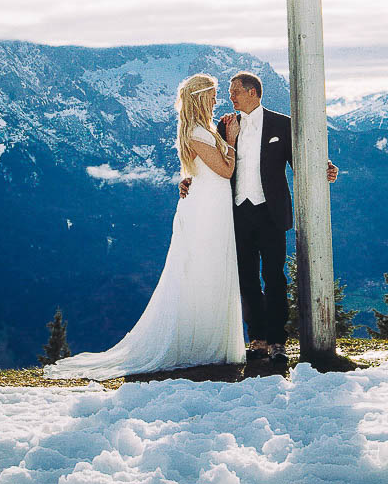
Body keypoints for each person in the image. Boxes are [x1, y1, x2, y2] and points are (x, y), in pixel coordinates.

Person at [44, 73, 244, 380]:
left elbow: (199, 169)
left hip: (209, 206)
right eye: (214, 94)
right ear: (201, 97)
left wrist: (191, 175)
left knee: (205, 269)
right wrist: (230, 139)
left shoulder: (198, 130)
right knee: (202, 269)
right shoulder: (198, 132)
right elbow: (226, 170)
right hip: (207, 211)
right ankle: (201, 343)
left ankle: (206, 341)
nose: (218, 100)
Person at [183, 72, 337, 364]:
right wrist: (191, 180)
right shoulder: (225, 125)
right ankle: (257, 340)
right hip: (237, 213)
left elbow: (301, 160)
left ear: (252, 92)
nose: (230, 98)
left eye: (235, 92)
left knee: (275, 277)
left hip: (270, 212)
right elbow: (210, 164)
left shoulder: (282, 124)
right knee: (247, 279)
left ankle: (279, 341)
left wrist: (326, 167)